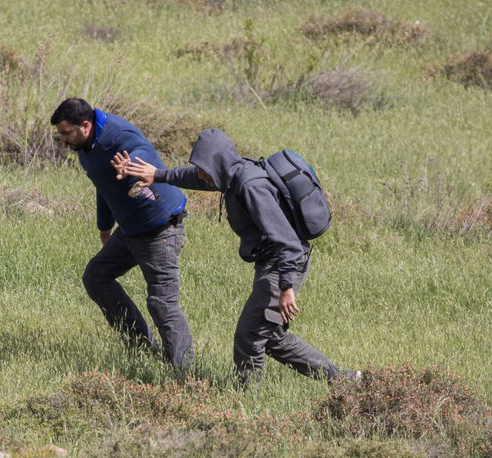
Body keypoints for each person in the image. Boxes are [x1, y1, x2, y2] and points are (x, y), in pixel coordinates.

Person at [114, 127, 358, 384]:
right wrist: (157, 175)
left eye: (203, 169)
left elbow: (288, 243)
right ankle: (345, 380)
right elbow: (194, 178)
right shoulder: (231, 175)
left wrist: (286, 286)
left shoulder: (251, 186)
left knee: (249, 335)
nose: (200, 174)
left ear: (217, 164)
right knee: (271, 337)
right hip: (272, 262)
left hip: (283, 264)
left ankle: (246, 398)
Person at [50, 97, 194, 370]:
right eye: (61, 134)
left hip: (160, 227)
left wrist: (131, 165)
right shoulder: (85, 147)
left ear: (85, 125)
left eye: (66, 133)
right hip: (129, 228)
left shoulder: (117, 136)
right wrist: (104, 226)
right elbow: (102, 184)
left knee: (162, 303)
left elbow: (141, 150)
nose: (64, 140)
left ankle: (183, 374)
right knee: (96, 278)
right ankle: (141, 348)